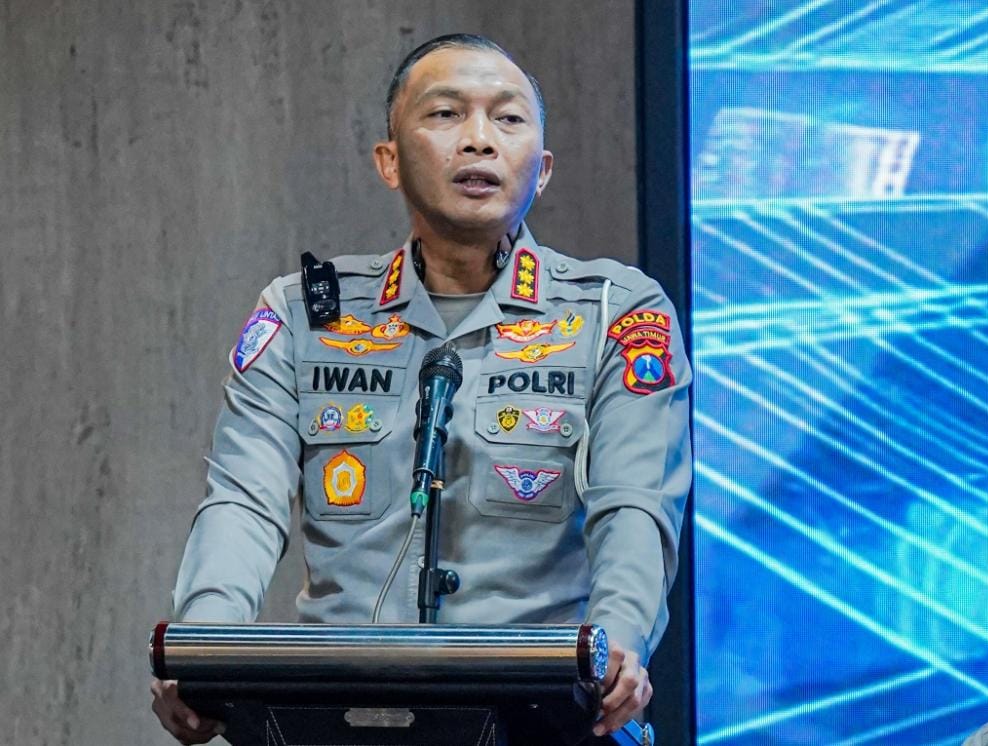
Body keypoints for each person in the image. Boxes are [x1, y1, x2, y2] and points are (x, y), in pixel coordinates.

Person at [151, 33, 691, 745]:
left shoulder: (615, 313)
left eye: (508, 118)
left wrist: (619, 643)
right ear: (389, 161)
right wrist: (204, 648)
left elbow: (635, 505)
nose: (479, 140)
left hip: (541, 717)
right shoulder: (304, 315)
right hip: (338, 719)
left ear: (542, 169)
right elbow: (243, 502)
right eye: (445, 114)